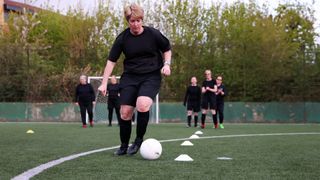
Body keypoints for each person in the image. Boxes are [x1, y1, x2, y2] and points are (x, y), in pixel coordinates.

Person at [98, 3, 172, 156]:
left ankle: (138, 140)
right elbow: (111, 61)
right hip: (130, 77)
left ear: (142, 20)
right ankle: (124, 145)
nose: (136, 24)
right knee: (125, 112)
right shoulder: (122, 38)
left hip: (151, 75)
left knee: (143, 105)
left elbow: (167, 48)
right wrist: (104, 83)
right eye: (132, 21)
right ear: (128, 21)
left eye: (138, 20)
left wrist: (167, 64)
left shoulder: (153, 34)